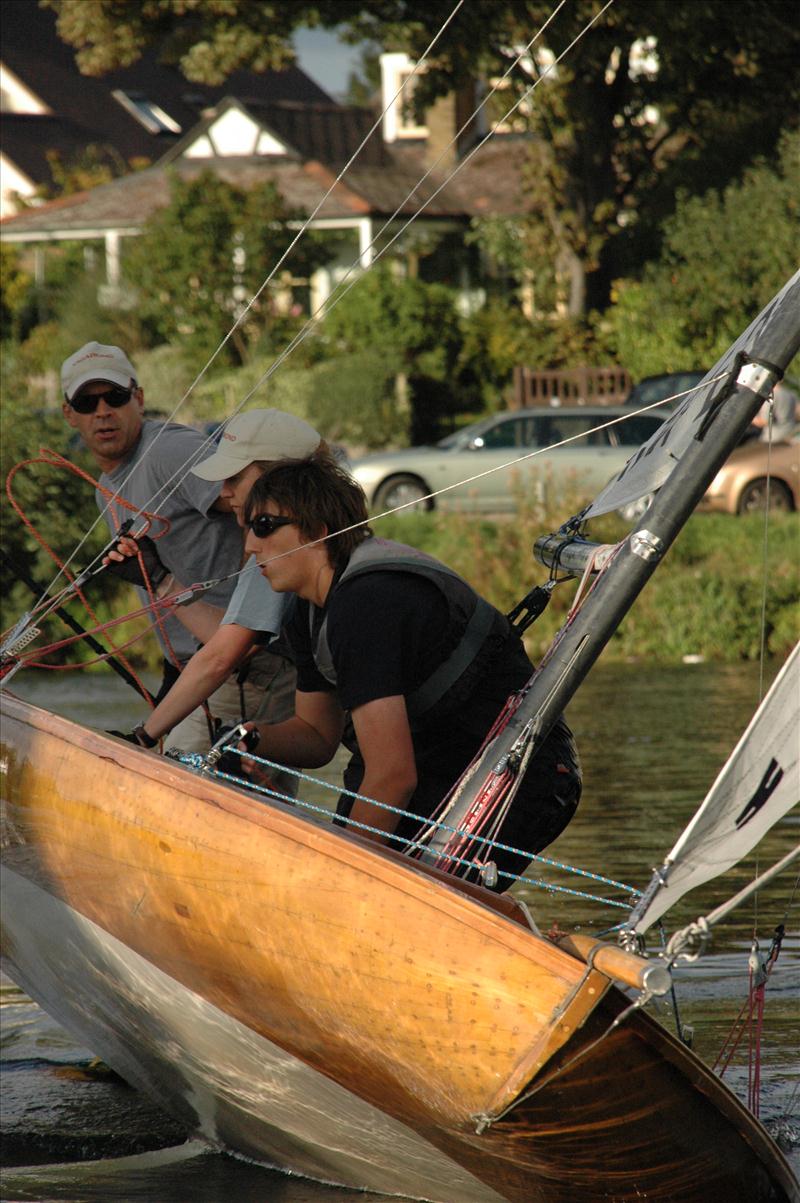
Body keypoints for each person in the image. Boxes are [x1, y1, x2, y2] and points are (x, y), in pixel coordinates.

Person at [237, 453, 582, 892]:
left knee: (366, 891)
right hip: (430, 768)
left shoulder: (365, 605)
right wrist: (247, 739)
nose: (249, 546)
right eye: (246, 528)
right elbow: (317, 735)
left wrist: (337, 885)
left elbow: (393, 776)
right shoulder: (308, 611)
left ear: (319, 531)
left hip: (516, 777)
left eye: (264, 526)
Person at [60, 341, 309, 751]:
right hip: (193, 665)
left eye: (115, 397)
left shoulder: (168, 451)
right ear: (70, 414)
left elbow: (264, 509)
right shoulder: (105, 488)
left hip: (243, 658)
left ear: (138, 399)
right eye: (87, 403)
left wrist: (160, 577)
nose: (103, 411)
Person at [111, 408, 326, 760]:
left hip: (263, 681)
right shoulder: (277, 542)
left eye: (234, 477)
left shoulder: (283, 550)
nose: (223, 491)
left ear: (277, 480)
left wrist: (143, 738)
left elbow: (220, 656)